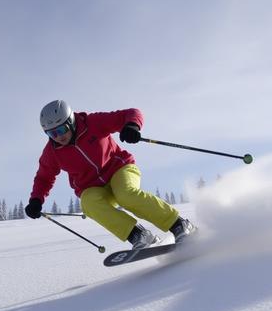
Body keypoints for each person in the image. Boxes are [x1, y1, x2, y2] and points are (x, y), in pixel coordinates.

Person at [25, 99, 197, 249]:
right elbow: (44, 177)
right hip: (92, 186)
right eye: (51, 133)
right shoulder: (52, 152)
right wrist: (36, 200)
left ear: (70, 121)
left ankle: (179, 224)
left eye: (61, 130)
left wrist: (132, 125)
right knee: (89, 203)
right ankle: (139, 235)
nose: (58, 137)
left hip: (119, 169)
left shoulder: (92, 123)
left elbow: (131, 113)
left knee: (126, 194)